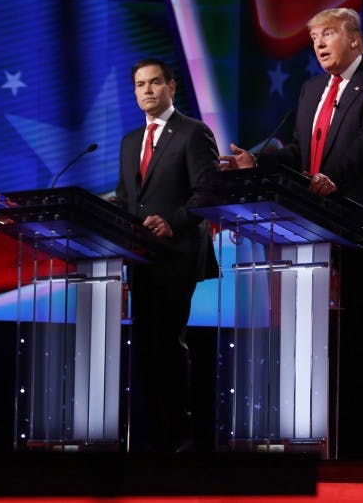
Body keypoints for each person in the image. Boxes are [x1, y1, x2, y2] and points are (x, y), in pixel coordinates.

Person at [223, 7, 363, 459]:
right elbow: (299, 151)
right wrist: (259, 162)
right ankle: (332, 443)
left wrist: (329, 178)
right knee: (332, 343)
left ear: (354, 40)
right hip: (319, 234)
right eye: (313, 38)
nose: (319, 44)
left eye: (328, 34)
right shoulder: (311, 90)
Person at [113, 58, 220, 452]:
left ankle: (179, 437)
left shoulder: (193, 133)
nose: (147, 90)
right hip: (140, 259)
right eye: (140, 84)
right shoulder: (128, 141)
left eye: (155, 82)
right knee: (145, 346)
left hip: (177, 254)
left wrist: (171, 221)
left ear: (171, 87)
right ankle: (154, 438)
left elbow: (208, 193)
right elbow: (126, 199)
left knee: (167, 342)